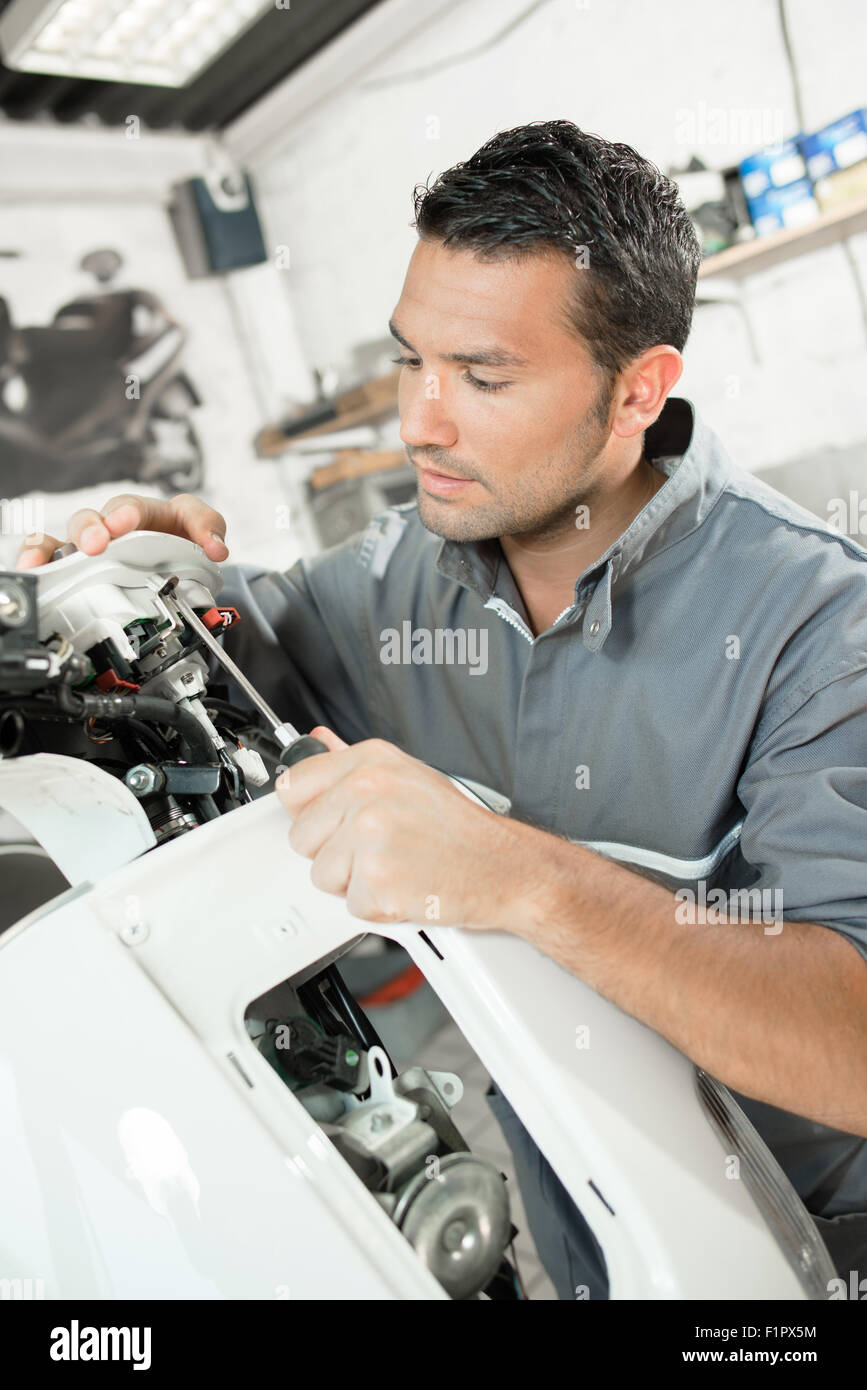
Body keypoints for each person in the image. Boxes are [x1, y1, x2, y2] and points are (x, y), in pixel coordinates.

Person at [19, 120, 867, 1299]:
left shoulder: (824, 628)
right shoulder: (398, 575)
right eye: (410, 358)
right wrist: (158, 570)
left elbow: (855, 1042)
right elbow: (219, 659)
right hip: (583, 1252)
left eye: (482, 376)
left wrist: (519, 875)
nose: (419, 418)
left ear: (639, 390)